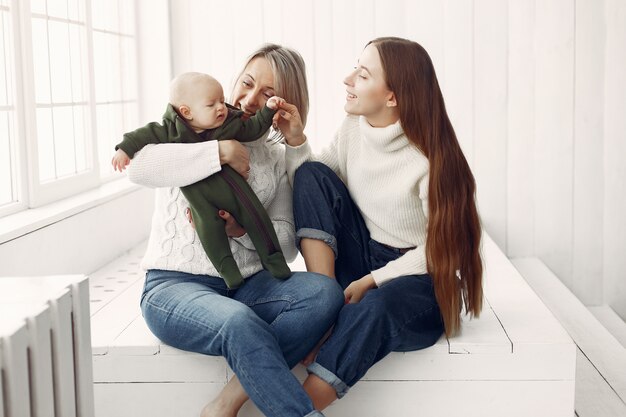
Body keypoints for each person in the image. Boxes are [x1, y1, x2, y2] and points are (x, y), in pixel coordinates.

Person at [129, 44, 343, 417]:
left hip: (247, 288)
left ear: (281, 104)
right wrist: (221, 152)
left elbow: (288, 243)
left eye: (267, 94)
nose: (248, 99)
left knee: (325, 293)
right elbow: (137, 167)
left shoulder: (274, 158)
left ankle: (227, 402)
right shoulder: (187, 127)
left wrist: (243, 229)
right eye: (247, 83)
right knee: (238, 322)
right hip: (173, 287)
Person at [283, 37, 484, 410]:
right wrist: (297, 141)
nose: (347, 80)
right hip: (365, 256)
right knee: (312, 173)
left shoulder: (433, 161)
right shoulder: (352, 130)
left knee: (372, 309)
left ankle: (291, 410)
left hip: (421, 280)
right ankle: (323, 308)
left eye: (361, 75)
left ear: (391, 97)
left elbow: (446, 253)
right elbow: (312, 189)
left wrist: (373, 280)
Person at [112, 71, 290, 288]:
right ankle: (229, 272)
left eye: (221, 100)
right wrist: (123, 149)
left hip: (236, 192)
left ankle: (274, 262)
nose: (221, 107)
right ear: (187, 112)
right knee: (209, 229)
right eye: (212, 104)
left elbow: (253, 127)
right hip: (200, 199)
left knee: (256, 217)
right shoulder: (171, 131)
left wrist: (269, 109)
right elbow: (142, 137)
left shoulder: (230, 124)